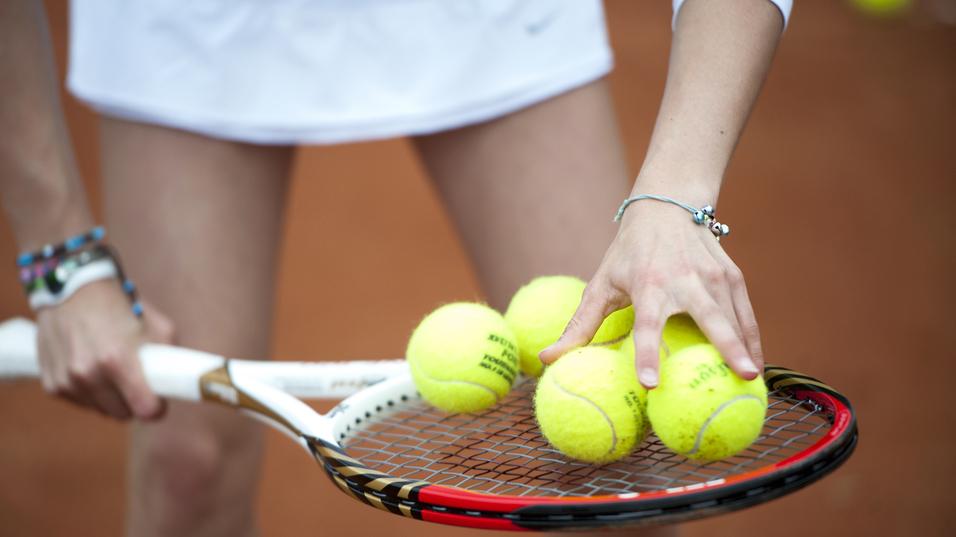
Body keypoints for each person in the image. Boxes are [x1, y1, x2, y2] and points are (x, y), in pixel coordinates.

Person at [0, 0, 790, 535]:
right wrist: (61, 256)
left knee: (621, 481)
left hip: (485, 19)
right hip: (189, 24)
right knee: (187, 468)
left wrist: (672, 195)